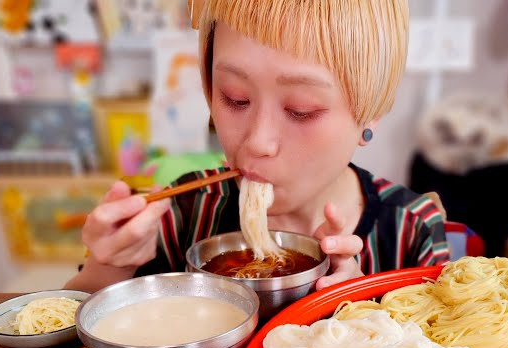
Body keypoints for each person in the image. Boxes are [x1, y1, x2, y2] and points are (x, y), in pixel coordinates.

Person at [65, 0, 449, 294]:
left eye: (301, 110)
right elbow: (67, 335)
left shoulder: (411, 231)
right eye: (235, 99)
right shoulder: (185, 213)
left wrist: (362, 310)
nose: (258, 142)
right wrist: (108, 265)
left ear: (372, 111)